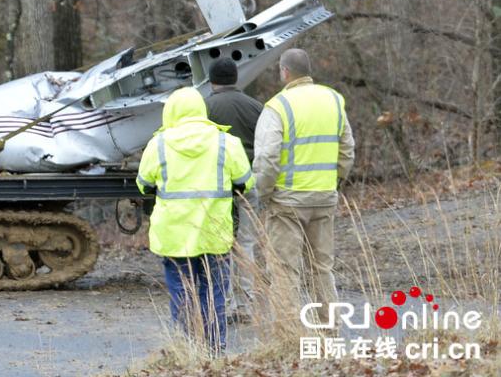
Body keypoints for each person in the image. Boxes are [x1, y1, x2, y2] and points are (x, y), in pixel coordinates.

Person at [137, 87, 254, 354]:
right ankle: (214, 349)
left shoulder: (158, 144)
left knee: (182, 291)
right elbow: (246, 181)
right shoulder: (226, 142)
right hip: (215, 232)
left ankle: (186, 349)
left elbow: (143, 184)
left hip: (174, 235)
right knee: (214, 292)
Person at [253, 48, 355, 324]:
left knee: (285, 270)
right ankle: (329, 328)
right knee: (322, 268)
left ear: (285, 72)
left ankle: (289, 334)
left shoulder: (277, 106)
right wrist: (334, 181)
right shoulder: (333, 100)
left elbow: (267, 158)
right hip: (324, 198)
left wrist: (263, 194)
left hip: (286, 203)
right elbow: (347, 150)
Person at [204, 57, 264, 324]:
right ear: (236, 78)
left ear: (211, 80)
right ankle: (246, 306)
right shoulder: (256, 107)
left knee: (221, 245)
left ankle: (225, 305)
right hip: (249, 182)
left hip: (217, 186)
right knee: (246, 243)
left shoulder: (205, 108)